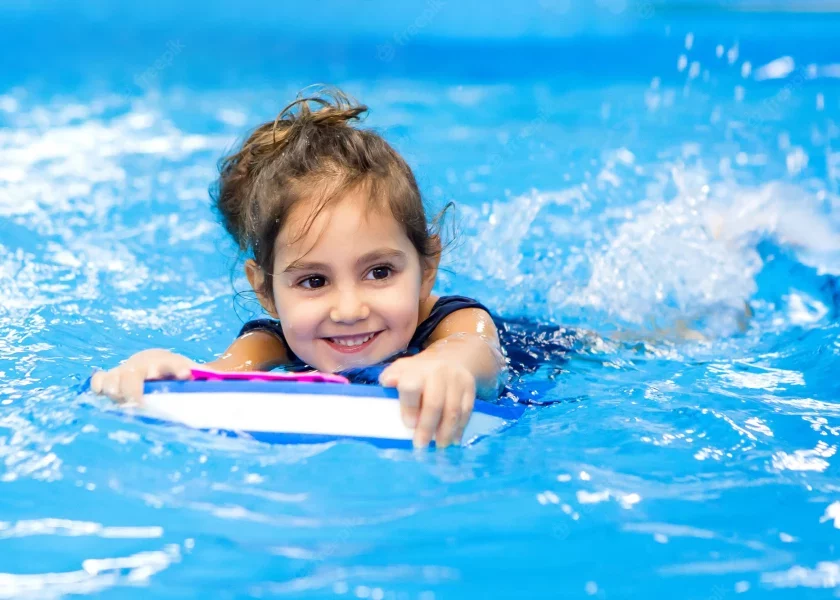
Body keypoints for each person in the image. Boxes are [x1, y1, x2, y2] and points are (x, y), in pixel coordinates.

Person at [90, 87, 505, 449]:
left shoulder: (455, 322)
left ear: (426, 267)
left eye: (379, 272)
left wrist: (446, 366)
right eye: (314, 280)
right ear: (266, 291)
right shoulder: (273, 343)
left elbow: (477, 351)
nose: (349, 310)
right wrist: (158, 373)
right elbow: (220, 374)